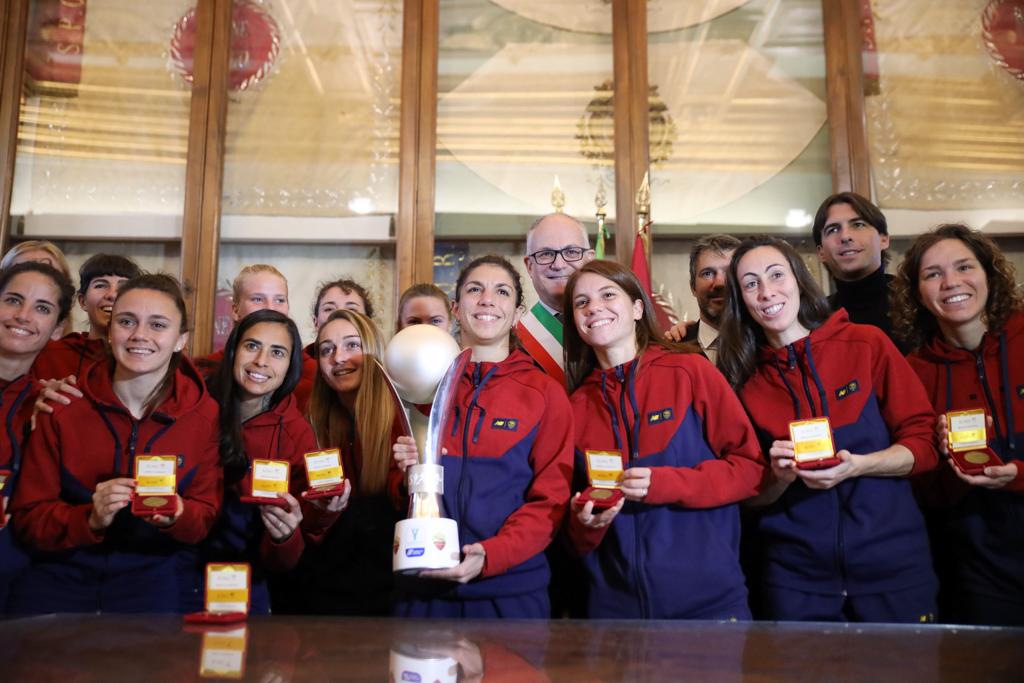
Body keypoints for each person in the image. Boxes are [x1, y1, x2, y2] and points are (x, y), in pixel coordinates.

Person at [717, 236, 939, 623]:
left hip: (893, 566)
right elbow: (748, 495)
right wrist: (779, 478)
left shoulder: (866, 344)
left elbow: (922, 445)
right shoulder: (741, 380)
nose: (767, 292)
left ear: (799, 279)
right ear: (741, 299)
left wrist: (860, 465)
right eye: (751, 284)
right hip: (796, 579)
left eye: (776, 275)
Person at [562, 259, 764, 619]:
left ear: (638, 307)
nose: (594, 308)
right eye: (582, 302)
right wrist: (585, 524)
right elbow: (572, 535)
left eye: (608, 295)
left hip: (709, 607)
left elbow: (749, 470)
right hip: (612, 617)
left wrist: (665, 483)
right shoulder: (573, 407)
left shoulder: (690, 371)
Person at [9, 273, 222, 613]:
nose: (139, 335)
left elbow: (205, 516)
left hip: (152, 579)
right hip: (61, 575)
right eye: (127, 321)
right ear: (109, 332)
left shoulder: (204, 414)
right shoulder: (63, 406)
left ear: (181, 340)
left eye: (158, 325)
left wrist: (177, 515)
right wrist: (90, 517)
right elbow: (28, 518)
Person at [393, 254, 573, 618]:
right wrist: (404, 475)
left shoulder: (544, 393)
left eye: (502, 291)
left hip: (510, 594)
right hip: (424, 593)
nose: (488, 299)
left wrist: (492, 555)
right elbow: (397, 496)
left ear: (519, 312)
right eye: (475, 290)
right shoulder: (424, 386)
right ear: (457, 309)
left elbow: (551, 501)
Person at [892, 224, 1024, 626]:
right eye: (933, 274)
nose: (951, 282)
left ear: (989, 274)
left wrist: (1018, 474)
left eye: (964, 267)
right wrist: (941, 457)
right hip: (975, 564)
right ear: (918, 293)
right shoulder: (913, 371)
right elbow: (919, 491)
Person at [189, 309, 324, 614]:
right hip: (170, 571)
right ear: (233, 349)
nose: (261, 361)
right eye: (252, 346)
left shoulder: (297, 434)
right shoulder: (192, 399)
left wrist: (285, 536)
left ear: (291, 365)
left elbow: (288, 559)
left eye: (277, 352)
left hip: (242, 582)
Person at [272, 309, 399, 616]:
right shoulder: (310, 420)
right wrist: (323, 513)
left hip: (391, 590)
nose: (339, 358)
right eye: (327, 349)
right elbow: (308, 524)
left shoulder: (403, 415)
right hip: (325, 588)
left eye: (352, 345)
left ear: (374, 352)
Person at [0, 262, 74, 611]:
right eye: (13, 300)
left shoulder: (48, 404)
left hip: (17, 586)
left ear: (58, 329)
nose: (23, 315)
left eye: (42, 308)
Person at [812, 192, 905, 348]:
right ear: (821, 253)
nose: (845, 236)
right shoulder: (816, 320)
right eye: (833, 230)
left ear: (884, 239)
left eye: (858, 224)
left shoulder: (916, 302)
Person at [33, 253, 142, 381]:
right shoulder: (50, 355)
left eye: (123, 287)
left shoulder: (148, 357)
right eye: (101, 285)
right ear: (82, 301)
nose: (112, 295)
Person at [518, 213, 595, 385]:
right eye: (546, 254)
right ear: (530, 266)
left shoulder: (618, 328)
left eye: (571, 252)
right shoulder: (512, 342)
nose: (559, 265)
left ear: (590, 259)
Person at [195, 264, 290, 378]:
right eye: (258, 299)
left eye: (279, 300)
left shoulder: (307, 371)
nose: (270, 308)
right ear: (235, 310)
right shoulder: (201, 372)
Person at [293, 278, 373, 412]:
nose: (340, 314)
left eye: (352, 309)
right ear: (316, 322)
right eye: (329, 308)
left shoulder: (390, 373)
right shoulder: (294, 372)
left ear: (368, 322)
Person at [664, 234, 741, 363]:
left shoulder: (767, 344)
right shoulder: (672, 349)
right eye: (708, 273)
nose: (719, 283)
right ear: (693, 287)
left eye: (729, 273)